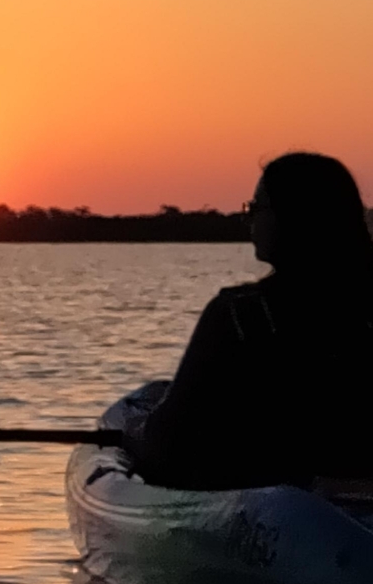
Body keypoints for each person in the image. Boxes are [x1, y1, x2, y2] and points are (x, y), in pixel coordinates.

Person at [126, 152, 373, 490]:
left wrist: (136, 439)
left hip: (284, 509)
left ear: (293, 215)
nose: (250, 220)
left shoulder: (239, 315)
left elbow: (170, 442)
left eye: (257, 208)